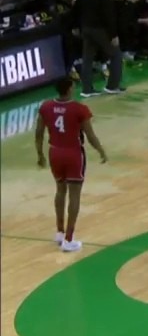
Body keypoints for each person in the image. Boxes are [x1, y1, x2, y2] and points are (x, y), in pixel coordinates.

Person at [34, 77, 109, 252]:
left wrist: (40, 154)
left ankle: (59, 232)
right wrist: (101, 150)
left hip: (54, 152)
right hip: (73, 153)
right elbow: (90, 136)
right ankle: (69, 239)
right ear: (68, 89)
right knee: (74, 195)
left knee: (60, 190)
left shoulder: (45, 106)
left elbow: (38, 133)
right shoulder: (79, 109)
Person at [74, 0, 125, 97]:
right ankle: (112, 86)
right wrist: (113, 35)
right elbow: (109, 16)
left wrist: (76, 26)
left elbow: (76, 9)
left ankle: (87, 90)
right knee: (116, 55)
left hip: (86, 28)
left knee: (87, 58)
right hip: (100, 30)